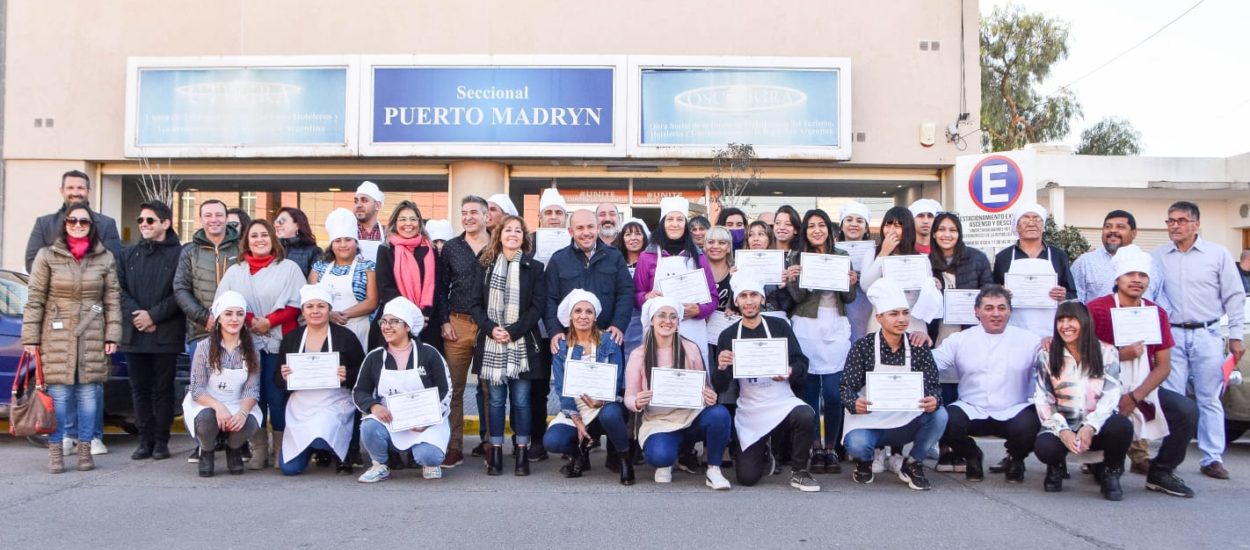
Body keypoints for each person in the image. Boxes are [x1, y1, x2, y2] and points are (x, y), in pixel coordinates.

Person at [1086, 245, 1198, 497]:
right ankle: (1105, 466)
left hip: (1142, 388)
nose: (1137, 280)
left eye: (1142, 275)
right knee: (1111, 427)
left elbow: (1164, 365)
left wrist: (1135, 396)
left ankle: (1161, 471)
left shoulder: (1156, 313)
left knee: (1186, 411)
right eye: (1130, 274)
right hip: (1103, 389)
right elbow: (1082, 357)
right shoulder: (1096, 309)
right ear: (1117, 278)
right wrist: (1120, 354)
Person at [25, 171, 122, 457]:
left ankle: (91, 437)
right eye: (70, 187)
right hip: (58, 321)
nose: (75, 192)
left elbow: (113, 279)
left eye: (80, 187)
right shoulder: (45, 226)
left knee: (90, 384)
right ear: (62, 190)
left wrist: (105, 321)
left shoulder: (105, 225)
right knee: (62, 385)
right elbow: (34, 273)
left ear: (88, 190)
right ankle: (64, 437)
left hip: (93, 319)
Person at [1152, 201, 1246, 479]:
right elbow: (1152, 294)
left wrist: (1237, 336)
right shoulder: (1158, 256)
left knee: (1209, 398)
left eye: (1181, 220)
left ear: (1196, 223)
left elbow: (1234, 296)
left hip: (1208, 334)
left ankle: (1211, 458)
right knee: (1173, 398)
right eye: (1170, 221)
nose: (1175, 226)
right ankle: (1169, 458)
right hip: (1172, 336)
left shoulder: (1217, 255)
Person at [712, 274, 818, 491]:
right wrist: (722, 368)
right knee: (747, 479)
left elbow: (801, 363)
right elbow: (720, 386)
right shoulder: (728, 335)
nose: (749, 301)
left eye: (753, 295)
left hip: (781, 400)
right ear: (736, 301)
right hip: (751, 407)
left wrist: (790, 370)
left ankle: (799, 471)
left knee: (805, 414)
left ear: (762, 299)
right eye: (743, 296)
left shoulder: (780, 326)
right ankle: (765, 450)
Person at [545, 209, 635, 462]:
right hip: (574, 339)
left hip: (606, 342)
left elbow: (625, 293)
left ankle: (616, 454)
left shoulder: (614, 257)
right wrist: (554, 331)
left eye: (590, 227)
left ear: (597, 228)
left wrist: (618, 324)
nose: (586, 232)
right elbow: (549, 299)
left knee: (609, 401)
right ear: (571, 231)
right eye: (580, 228)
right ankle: (579, 453)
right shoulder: (559, 259)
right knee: (575, 394)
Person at [216, 219, 305, 470]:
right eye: (254, 236)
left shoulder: (289, 268)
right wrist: (253, 320)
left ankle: (280, 448)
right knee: (252, 397)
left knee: (277, 398)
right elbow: (225, 302)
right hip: (247, 342)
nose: (259, 240)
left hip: (279, 342)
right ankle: (258, 448)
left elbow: (297, 303)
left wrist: (271, 321)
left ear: (273, 238)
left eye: (264, 235)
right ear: (247, 241)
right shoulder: (236, 271)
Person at [840, 279, 945, 489]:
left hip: (906, 421)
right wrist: (854, 403)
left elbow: (934, 386)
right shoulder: (863, 347)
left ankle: (913, 462)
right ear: (879, 318)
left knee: (940, 415)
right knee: (857, 444)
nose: (901, 319)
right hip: (871, 420)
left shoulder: (918, 346)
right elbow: (846, 388)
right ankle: (865, 461)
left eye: (905, 313)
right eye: (893, 314)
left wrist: (934, 399)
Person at [933, 285, 1042, 482]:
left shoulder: (1031, 341)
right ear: (977, 311)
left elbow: (1053, 365)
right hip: (972, 407)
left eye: (1002, 308)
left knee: (1032, 422)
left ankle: (1016, 458)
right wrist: (915, 344)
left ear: (1010, 311)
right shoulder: (959, 339)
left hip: (1014, 408)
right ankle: (972, 455)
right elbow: (932, 363)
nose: (996, 314)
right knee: (944, 420)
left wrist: (1055, 344)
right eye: (989, 308)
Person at [625, 297, 732, 489]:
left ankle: (713, 469)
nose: (668, 321)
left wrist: (709, 395)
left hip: (690, 417)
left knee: (719, 414)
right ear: (651, 320)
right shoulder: (639, 354)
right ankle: (669, 457)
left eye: (673, 317)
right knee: (659, 456)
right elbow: (629, 397)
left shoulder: (690, 348)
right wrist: (637, 402)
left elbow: (705, 386)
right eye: (662, 316)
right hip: (660, 422)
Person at [469, 215, 546, 476]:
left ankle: (522, 452)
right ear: (499, 235)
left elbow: (537, 307)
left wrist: (512, 332)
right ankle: (497, 453)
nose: (513, 234)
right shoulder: (485, 266)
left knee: (522, 401)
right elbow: (475, 305)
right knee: (497, 401)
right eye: (508, 230)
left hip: (521, 343)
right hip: (491, 342)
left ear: (524, 238)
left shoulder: (534, 268)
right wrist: (491, 329)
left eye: (518, 231)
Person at [1032, 300, 1132, 500]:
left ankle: (1111, 471)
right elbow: (1043, 398)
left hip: (1097, 424)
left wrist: (1090, 426)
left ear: (1085, 322)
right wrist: (1064, 431)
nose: (1066, 325)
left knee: (1122, 427)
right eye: (1061, 320)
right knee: (1045, 447)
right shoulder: (1046, 355)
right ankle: (1056, 466)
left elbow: (1111, 395)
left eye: (1072, 319)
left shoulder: (1107, 352)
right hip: (1064, 422)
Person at [783, 208, 858, 472]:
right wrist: (795, 279)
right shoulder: (796, 256)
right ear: (805, 231)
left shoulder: (841, 256)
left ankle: (831, 448)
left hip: (835, 324)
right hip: (807, 325)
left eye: (821, 225)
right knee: (811, 390)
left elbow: (849, 298)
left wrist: (851, 282)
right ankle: (815, 447)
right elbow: (799, 298)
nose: (817, 230)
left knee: (834, 393)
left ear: (829, 229)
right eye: (811, 226)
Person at [353, 297, 452, 483]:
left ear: (407, 327)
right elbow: (359, 391)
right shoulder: (374, 357)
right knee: (369, 426)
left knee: (428, 456)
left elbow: (446, 391)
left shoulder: (429, 354)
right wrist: (374, 406)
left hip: (425, 423)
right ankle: (380, 465)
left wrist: (428, 420)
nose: (387, 326)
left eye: (394, 321)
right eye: (384, 321)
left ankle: (429, 462)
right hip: (391, 420)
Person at [173, 198, 240, 462]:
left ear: (227, 218)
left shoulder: (240, 247)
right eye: (208, 215)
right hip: (201, 332)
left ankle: (236, 442)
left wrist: (231, 319)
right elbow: (180, 289)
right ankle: (204, 443)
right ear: (200, 219)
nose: (214, 219)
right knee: (202, 389)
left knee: (235, 386)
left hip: (235, 331)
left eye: (219, 215)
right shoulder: (189, 251)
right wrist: (204, 317)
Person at [543, 290, 633, 484]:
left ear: (595, 316)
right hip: (576, 406)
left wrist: (602, 399)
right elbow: (561, 387)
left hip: (605, 403)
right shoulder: (562, 346)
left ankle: (625, 460)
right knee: (553, 440)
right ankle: (579, 454)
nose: (583, 316)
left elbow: (616, 380)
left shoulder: (610, 341)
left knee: (610, 414)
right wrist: (575, 418)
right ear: (570, 316)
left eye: (588, 312)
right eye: (578, 311)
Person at [927, 212, 994, 472]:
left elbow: (988, 292)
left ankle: (962, 447)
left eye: (952, 230)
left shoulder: (976, 258)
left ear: (959, 233)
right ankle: (945, 449)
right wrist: (928, 286)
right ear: (933, 234)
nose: (947, 234)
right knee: (941, 390)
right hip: (938, 332)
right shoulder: (925, 263)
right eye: (941, 229)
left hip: (968, 331)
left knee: (964, 390)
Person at [118, 200, 184, 461]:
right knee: (139, 389)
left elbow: (179, 291)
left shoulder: (180, 254)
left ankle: (161, 441)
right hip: (135, 333)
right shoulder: (128, 254)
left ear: (165, 223)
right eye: (141, 221)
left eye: (150, 220)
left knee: (163, 389)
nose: (144, 225)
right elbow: (119, 289)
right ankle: (144, 440)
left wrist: (154, 315)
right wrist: (139, 316)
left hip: (165, 333)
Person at [276, 286, 366, 476]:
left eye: (321, 306)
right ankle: (315, 448)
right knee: (289, 469)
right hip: (301, 406)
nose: (315, 311)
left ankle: (338, 451)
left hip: (334, 402)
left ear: (329, 309)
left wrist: (347, 375)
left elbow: (364, 373)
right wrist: (284, 377)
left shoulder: (345, 337)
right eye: (309, 307)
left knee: (322, 434)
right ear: (303, 311)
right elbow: (277, 379)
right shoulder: (291, 338)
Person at [435, 195, 491, 466]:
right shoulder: (452, 248)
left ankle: (491, 443)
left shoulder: (498, 244)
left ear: (486, 216)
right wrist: (444, 321)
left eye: (474, 212)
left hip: (488, 326)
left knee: (490, 388)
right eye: (464, 212)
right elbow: (440, 287)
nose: (468, 217)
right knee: (453, 390)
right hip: (457, 324)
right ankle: (454, 445)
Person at [182, 291, 262, 477]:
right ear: (218, 318)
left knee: (249, 422)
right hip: (207, 403)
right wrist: (218, 407)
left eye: (239, 314)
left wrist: (242, 412)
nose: (234, 319)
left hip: (236, 403)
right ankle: (207, 451)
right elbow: (196, 388)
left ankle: (233, 448)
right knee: (206, 420)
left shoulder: (252, 350)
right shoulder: (204, 347)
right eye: (228, 314)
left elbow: (252, 388)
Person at [634, 197, 719, 366]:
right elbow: (636, 295)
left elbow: (713, 298)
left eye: (680, 219)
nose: (675, 224)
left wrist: (699, 309)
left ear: (685, 224)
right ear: (662, 223)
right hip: (659, 330)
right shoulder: (647, 256)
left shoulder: (699, 257)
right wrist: (646, 297)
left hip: (692, 328)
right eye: (670, 219)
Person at [992, 203, 1077, 338]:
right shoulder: (1003, 257)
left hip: (1051, 331)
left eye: (1037, 219)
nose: (1031, 223)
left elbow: (1073, 294)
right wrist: (1000, 292)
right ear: (1016, 226)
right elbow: (992, 293)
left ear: (1043, 226)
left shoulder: (1058, 255)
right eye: (1025, 219)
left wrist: (1063, 295)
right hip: (1013, 328)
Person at [310, 208, 379, 351]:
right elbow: (310, 298)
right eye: (338, 241)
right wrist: (328, 315)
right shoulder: (319, 268)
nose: (343, 245)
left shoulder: (368, 267)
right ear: (331, 244)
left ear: (356, 242)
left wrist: (342, 315)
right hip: (324, 328)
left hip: (358, 329)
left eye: (348, 240)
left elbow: (372, 301)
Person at [374, 200, 440, 348]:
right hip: (396, 321)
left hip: (427, 321)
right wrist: (411, 316)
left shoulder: (431, 249)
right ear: (395, 223)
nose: (408, 224)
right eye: (402, 219)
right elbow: (385, 287)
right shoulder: (385, 249)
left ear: (419, 222)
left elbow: (436, 284)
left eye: (413, 219)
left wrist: (424, 315)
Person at [1070, 210, 1162, 303]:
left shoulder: (1150, 264)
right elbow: (1075, 303)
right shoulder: (1085, 263)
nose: (1113, 230)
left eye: (1120, 227)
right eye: (1107, 226)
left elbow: (1160, 303)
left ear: (1134, 233)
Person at [837, 201, 878, 343]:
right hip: (839, 303)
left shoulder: (876, 253)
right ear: (841, 226)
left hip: (865, 303)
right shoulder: (831, 252)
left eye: (859, 221)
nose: (854, 224)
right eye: (849, 220)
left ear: (866, 228)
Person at [613, 218, 650, 359]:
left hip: (642, 319)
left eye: (638, 233)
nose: (633, 238)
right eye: (628, 234)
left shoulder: (652, 262)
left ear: (644, 237)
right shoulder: (616, 261)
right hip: (619, 317)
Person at [273, 207, 320, 278]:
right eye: (276, 222)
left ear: (297, 225)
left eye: (281, 221)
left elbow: (314, 284)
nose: (277, 225)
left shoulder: (313, 252)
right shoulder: (270, 250)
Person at [354, 181, 387, 263]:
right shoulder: (348, 231)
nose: (358, 205)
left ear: (377, 205)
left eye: (364, 200)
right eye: (356, 201)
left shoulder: (387, 233)